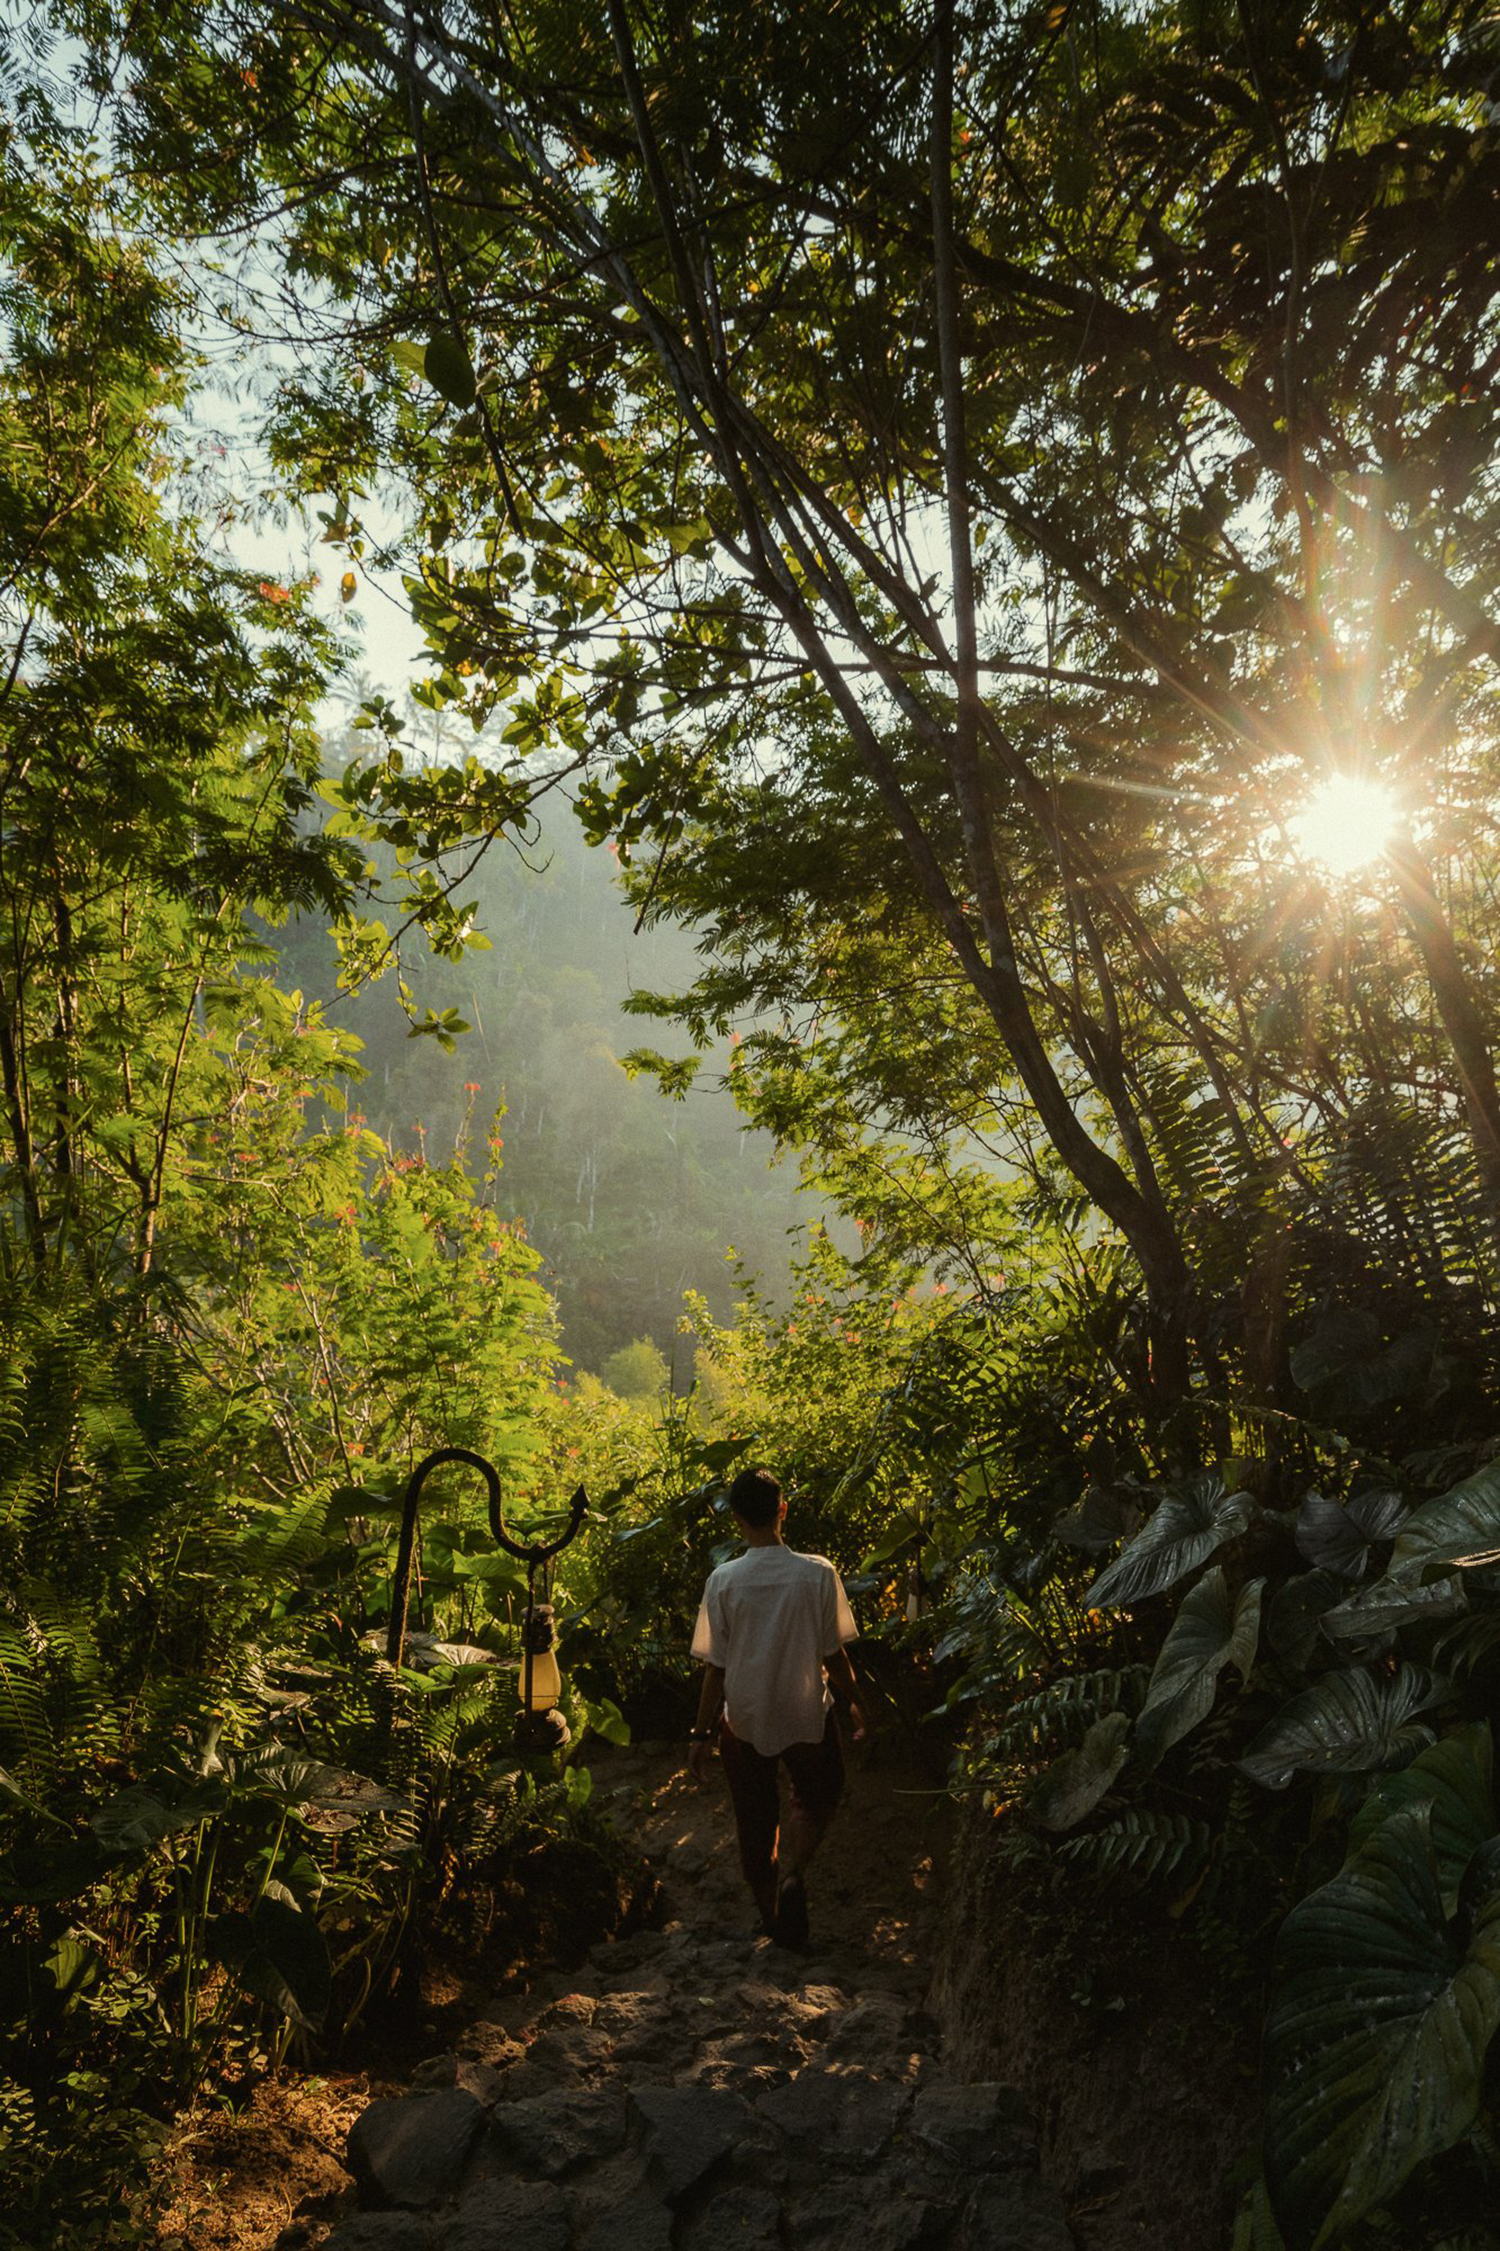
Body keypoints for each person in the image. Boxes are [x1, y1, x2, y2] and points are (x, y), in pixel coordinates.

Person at [686, 1464, 866, 1948]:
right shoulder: (818, 1573)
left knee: (754, 1818)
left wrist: (700, 1735)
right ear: (782, 1509)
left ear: (736, 1519)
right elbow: (834, 1654)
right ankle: (794, 1875)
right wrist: (856, 1703)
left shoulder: (722, 1582)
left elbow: (715, 1669)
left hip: (743, 1721)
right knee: (818, 1795)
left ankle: (770, 1917)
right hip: (806, 1712)